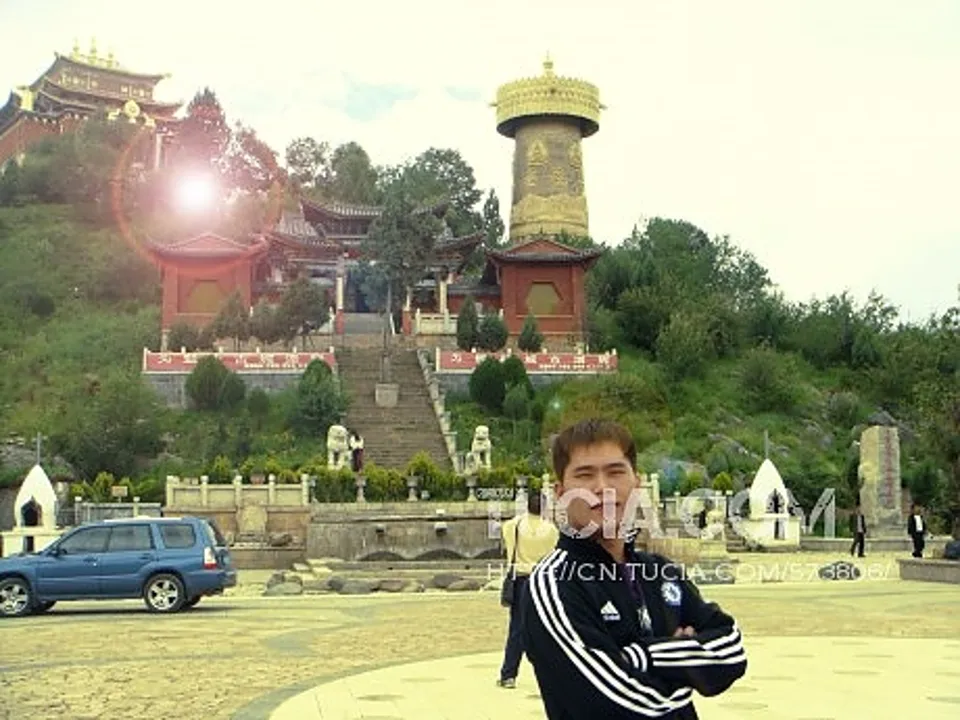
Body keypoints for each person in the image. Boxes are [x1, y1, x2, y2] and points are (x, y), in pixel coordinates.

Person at [521, 418, 746, 719]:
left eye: (615, 472)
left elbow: (731, 648)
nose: (602, 488)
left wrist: (639, 656)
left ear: (637, 484)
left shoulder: (659, 572)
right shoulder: (555, 584)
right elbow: (618, 705)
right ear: (561, 493)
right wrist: (686, 668)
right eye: (585, 475)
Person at [497, 489, 559, 689]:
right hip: (542, 581)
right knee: (545, 629)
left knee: (517, 628)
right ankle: (551, 675)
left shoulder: (514, 525)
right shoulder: (550, 530)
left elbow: (505, 529)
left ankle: (508, 674)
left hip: (520, 579)